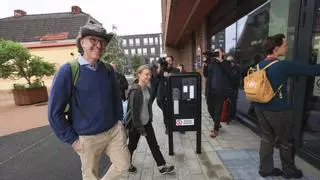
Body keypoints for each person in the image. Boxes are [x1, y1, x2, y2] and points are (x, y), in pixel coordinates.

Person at [48, 23, 130, 180]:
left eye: (102, 42)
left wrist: (119, 121)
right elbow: (54, 113)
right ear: (82, 42)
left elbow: (116, 98)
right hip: (87, 138)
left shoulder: (108, 69)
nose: (98, 45)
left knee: (124, 164)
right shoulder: (68, 71)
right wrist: (72, 140)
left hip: (113, 132)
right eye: (93, 39)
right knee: (91, 176)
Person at [253, 33, 320, 178]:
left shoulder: (258, 66)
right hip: (278, 111)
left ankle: (265, 169)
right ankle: (289, 170)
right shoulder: (283, 66)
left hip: (259, 107)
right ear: (276, 49)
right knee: (286, 141)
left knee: (267, 138)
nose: (287, 47)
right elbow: (313, 70)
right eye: (284, 45)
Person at [127, 65, 175, 174]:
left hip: (147, 122)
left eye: (150, 74)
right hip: (136, 125)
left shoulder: (147, 88)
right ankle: (127, 164)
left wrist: (150, 117)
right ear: (139, 75)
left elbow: (149, 105)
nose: (148, 77)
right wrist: (141, 130)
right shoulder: (135, 91)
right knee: (132, 146)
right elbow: (134, 115)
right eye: (146, 74)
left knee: (154, 145)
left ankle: (162, 167)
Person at [203, 47, 231, 137]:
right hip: (210, 91)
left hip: (220, 91)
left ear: (222, 54)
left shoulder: (226, 63)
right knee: (210, 109)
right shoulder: (211, 63)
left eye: (217, 52)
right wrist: (205, 64)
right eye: (214, 52)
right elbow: (205, 74)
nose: (215, 54)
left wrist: (220, 60)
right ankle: (217, 123)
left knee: (218, 111)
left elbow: (228, 71)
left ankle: (215, 129)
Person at [156, 56, 180, 134]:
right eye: (166, 61)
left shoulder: (176, 70)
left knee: (175, 110)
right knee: (166, 112)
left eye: (170, 60)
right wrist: (159, 66)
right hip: (164, 95)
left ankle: (176, 125)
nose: (168, 62)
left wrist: (170, 75)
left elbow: (178, 81)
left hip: (173, 94)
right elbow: (157, 77)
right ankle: (168, 127)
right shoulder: (162, 71)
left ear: (172, 61)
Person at [226, 55, 240, 124]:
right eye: (228, 61)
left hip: (234, 88)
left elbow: (238, 78)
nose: (230, 63)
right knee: (226, 103)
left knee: (233, 103)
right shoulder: (226, 68)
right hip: (227, 88)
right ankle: (226, 116)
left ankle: (232, 117)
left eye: (231, 61)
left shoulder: (236, 68)